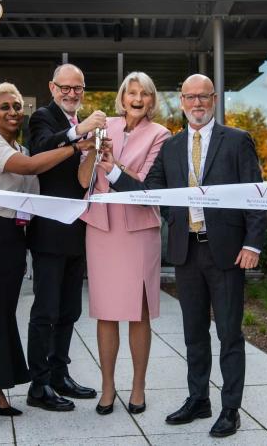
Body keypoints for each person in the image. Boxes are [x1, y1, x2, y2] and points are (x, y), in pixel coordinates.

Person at [105, 74, 267, 438]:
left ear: (213, 100)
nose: (197, 104)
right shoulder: (172, 147)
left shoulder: (237, 141)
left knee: (228, 334)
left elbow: (257, 194)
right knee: (194, 333)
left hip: (226, 252)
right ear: (181, 101)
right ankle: (198, 399)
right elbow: (151, 193)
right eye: (190, 97)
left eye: (204, 97)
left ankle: (230, 409)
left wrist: (253, 243)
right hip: (186, 250)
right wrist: (112, 171)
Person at [0, 82, 95, 427]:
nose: (13, 112)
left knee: (1, 313)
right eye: (5, 107)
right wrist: (74, 146)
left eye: (17, 106)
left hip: (12, 236)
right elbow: (29, 168)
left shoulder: (21, 145)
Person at [77, 72, 171, 415]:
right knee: (105, 311)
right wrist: (91, 150)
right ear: (122, 96)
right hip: (101, 229)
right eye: (132, 92)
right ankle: (107, 387)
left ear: (151, 100)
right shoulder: (105, 125)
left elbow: (147, 183)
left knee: (138, 312)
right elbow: (84, 180)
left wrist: (113, 164)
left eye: (144, 93)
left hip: (138, 230)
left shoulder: (161, 135)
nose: (137, 98)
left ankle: (138, 387)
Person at [25, 64, 105, 411]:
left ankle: (60, 374)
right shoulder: (42, 117)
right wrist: (79, 135)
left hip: (78, 230)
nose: (72, 94)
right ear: (52, 88)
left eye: (78, 88)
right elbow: (41, 148)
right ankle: (38, 384)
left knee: (70, 309)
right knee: (46, 309)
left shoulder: (79, 124)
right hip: (49, 232)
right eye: (65, 88)